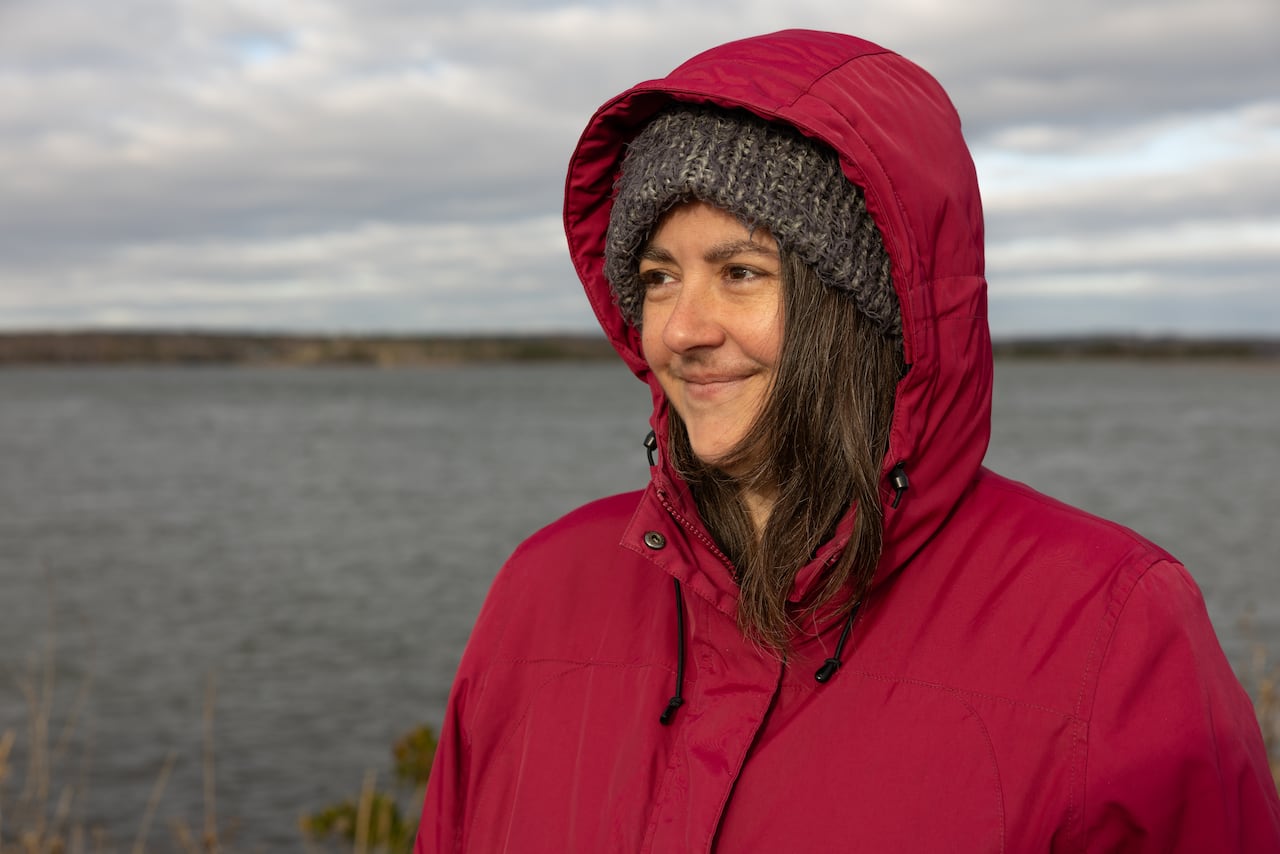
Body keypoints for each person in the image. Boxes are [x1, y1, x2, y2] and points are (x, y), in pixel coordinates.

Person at [416, 29, 1280, 852]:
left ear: (867, 307)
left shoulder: (1110, 630)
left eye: (741, 272)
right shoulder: (545, 588)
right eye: (658, 277)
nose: (680, 329)